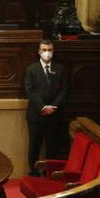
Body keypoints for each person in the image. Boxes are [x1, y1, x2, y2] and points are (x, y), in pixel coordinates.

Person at [24, 39, 68, 175]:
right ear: (39, 51)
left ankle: (50, 174)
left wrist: (53, 106)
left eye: (49, 50)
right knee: (34, 146)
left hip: (55, 115)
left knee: (52, 147)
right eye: (44, 50)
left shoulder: (60, 69)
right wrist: (43, 107)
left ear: (53, 51)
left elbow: (64, 90)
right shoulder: (31, 69)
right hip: (36, 115)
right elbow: (29, 91)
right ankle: (34, 172)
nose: (47, 53)